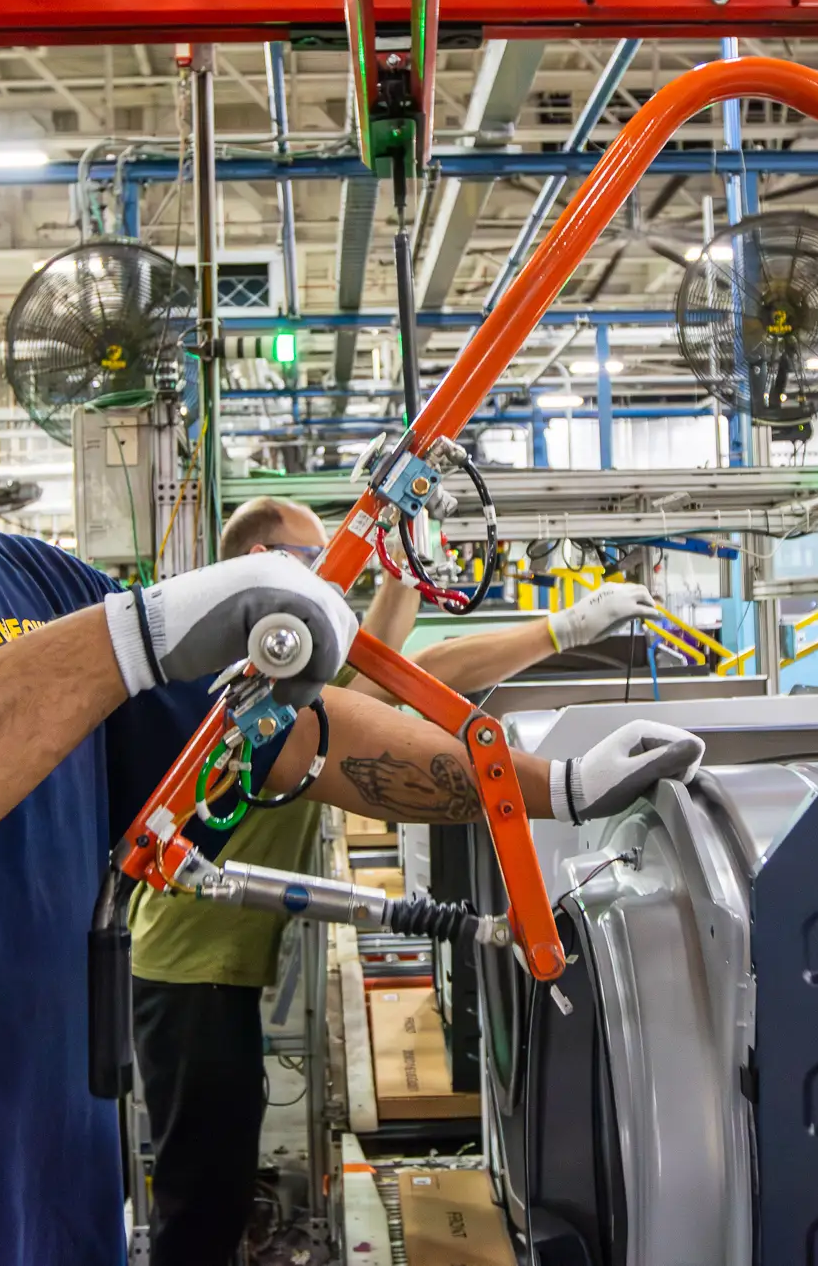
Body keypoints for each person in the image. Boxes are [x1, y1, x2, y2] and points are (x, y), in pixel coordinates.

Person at [0, 147, 706, 1266]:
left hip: (38, 1221)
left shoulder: (29, 584)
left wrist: (544, 784)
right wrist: (119, 641)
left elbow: (285, 735)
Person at [130, 496, 661, 1265]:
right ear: (263, 566)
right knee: (201, 1196)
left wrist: (408, 545)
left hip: (203, 973)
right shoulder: (256, 676)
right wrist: (563, 632)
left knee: (214, 1179)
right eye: (319, 566)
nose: (330, 588)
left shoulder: (278, 666)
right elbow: (417, 670)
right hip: (189, 977)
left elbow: (395, 663)